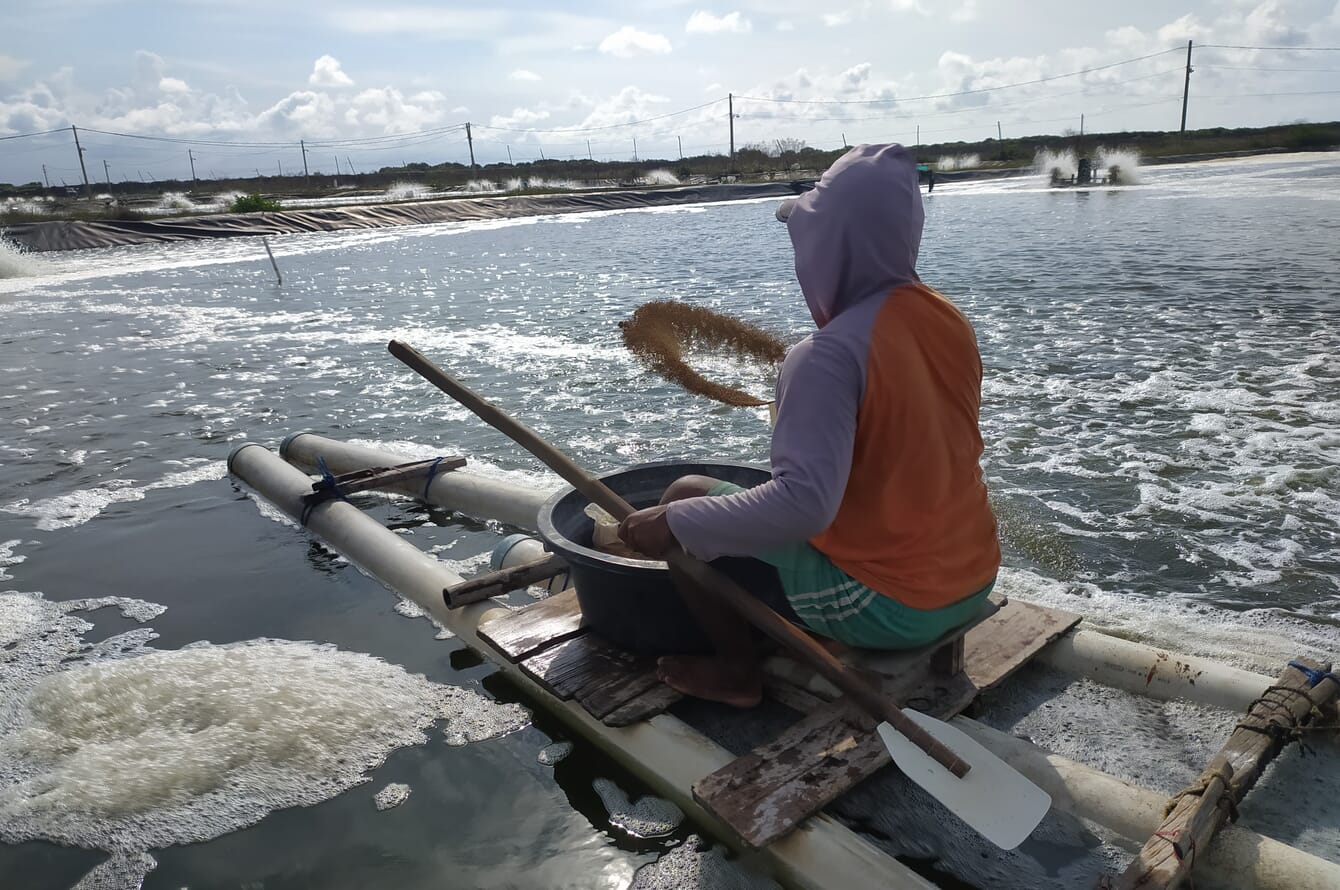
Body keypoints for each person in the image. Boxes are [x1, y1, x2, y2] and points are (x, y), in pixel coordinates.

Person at [617, 143, 1000, 708]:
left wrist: (676, 521)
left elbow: (804, 506)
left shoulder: (825, 355)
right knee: (719, 511)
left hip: (898, 607)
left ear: (829, 246)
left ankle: (737, 672)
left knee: (685, 495)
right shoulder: (946, 319)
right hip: (974, 573)